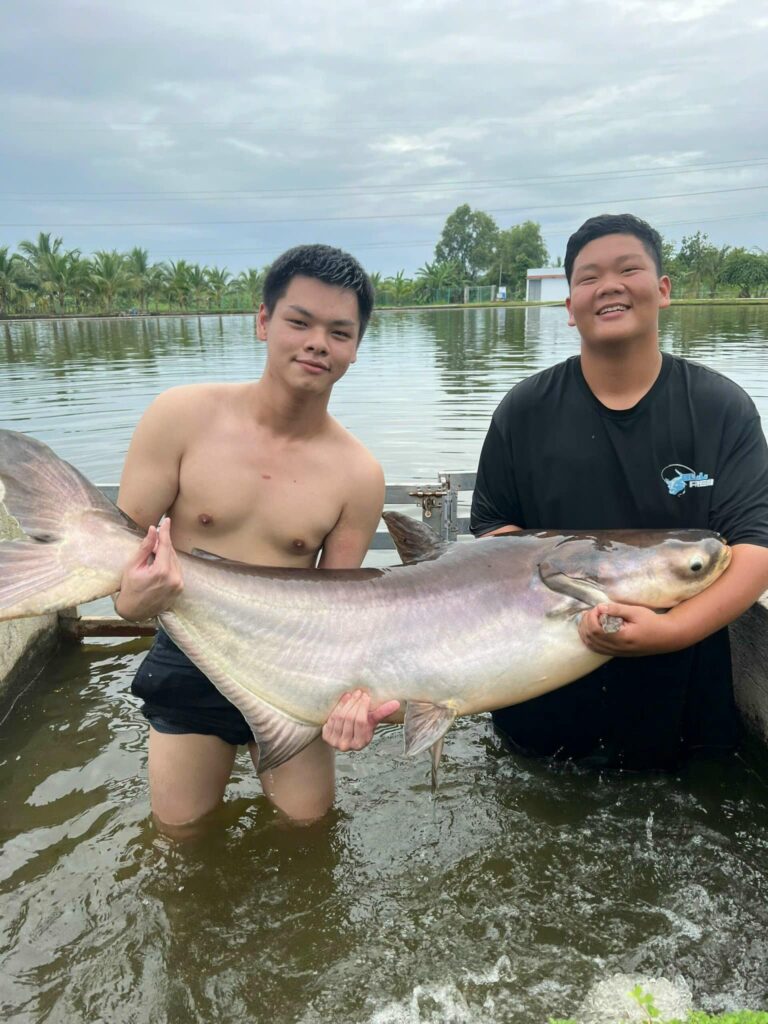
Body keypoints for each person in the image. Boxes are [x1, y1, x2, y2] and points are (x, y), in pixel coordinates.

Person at [115, 244, 400, 829]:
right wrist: (129, 601)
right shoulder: (180, 417)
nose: (318, 343)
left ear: (356, 346)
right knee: (179, 836)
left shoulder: (358, 474)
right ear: (264, 321)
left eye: (339, 332)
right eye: (300, 322)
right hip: (190, 652)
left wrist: (354, 706)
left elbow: (341, 617)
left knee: (308, 832)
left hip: (295, 667)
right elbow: (120, 555)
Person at [470, 213, 768, 769]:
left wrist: (671, 631)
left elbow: (755, 549)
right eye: (589, 277)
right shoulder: (524, 411)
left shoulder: (720, 408)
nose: (609, 286)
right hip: (540, 699)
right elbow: (493, 536)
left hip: (683, 705)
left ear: (663, 290)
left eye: (628, 270)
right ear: (570, 307)